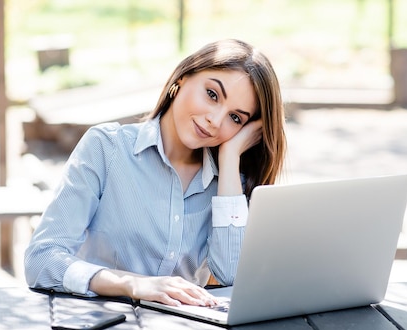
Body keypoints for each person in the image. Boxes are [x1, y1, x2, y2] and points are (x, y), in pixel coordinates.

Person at [24, 38, 287, 307]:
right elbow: (42, 258)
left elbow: (231, 278)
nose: (215, 121)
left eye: (236, 118)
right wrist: (132, 283)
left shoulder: (228, 186)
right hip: (98, 326)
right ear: (183, 78)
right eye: (212, 94)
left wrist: (230, 158)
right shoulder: (106, 148)